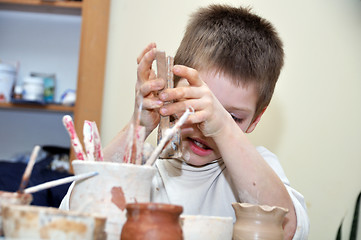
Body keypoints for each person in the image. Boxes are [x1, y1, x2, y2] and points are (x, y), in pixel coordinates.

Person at [61, 4, 309, 239]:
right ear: (170, 88)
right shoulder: (145, 165)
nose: (205, 127)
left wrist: (223, 128)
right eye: (194, 104)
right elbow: (73, 216)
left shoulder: (258, 167)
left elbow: (288, 230)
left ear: (255, 120)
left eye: (232, 117)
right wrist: (138, 127)